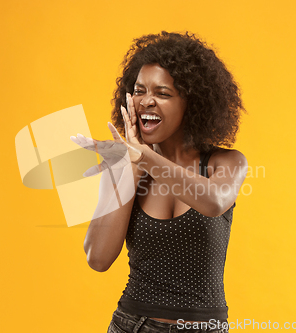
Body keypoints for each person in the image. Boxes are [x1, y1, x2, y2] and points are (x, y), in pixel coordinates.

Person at [72, 31, 247, 333]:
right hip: (132, 324)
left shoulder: (225, 162)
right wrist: (131, 166)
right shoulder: (126, 164)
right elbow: (98, 258)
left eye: (163, 93)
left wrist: (142, 156)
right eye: (139, 91)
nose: (146, 102)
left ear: (191, 103)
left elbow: (214, 202)